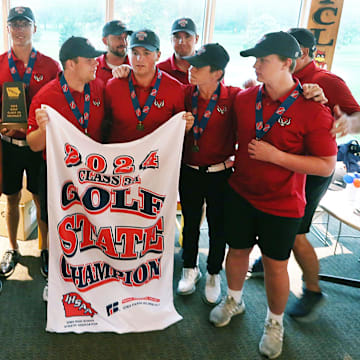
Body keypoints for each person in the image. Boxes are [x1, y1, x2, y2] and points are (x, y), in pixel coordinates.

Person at [209, 31, 337, 359]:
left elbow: (325, 165)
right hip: (241, 193)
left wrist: (277, 157)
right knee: (237, 252)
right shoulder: (243, 98)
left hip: (283, 203)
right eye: (255, 60)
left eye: (263, 60)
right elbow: (209, 95)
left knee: (275, 264)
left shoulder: (313, 108)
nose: (255, 65)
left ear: (287, 64)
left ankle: (274, 322)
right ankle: (233, 300)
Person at [248, 28, 360, 322]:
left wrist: (347, 122)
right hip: (279, 165)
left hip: (312, 169)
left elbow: (357, 116)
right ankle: (270, 256)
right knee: (267, 217)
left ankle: (312, 290)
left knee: (296, 232)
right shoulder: (275, 77)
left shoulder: (326, 81)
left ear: (304, 54)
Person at [26, 36, 104, 301]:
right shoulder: (46, 96)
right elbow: (33, 145)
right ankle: (58, 280)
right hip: (57, 174)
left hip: (92, 173)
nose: (96, 63)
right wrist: (42, 129)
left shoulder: (99, 89)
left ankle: (90, 276)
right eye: (90, 59)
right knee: (60, 227)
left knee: (91, 227)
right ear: (70, 64)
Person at [0, 6, 61, 279]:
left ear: (35, 28)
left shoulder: (50, 65)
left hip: (40, 148)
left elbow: (60, 104)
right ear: (8, 28)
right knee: (10, 198)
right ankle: (12, 248)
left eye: (25, 24)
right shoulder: (0, 63)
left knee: (42, 200)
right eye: (15, 24)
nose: (20, 29)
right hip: (9, 145)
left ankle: (44, 248)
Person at [176, 43, 239, 304]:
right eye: (190, 63)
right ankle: (190, 267)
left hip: (220, 173)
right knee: (190, 223)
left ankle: (214, 272)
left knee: (218, 226)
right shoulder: (183, 94)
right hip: (189, 171)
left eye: (198, 66)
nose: (191, 69)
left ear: (217, 73)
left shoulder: (235, 97)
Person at [104, 29, 194, 143]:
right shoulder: (113, 86)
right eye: (135, 53)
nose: (139, 59)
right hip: (120, 159)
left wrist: (185, 128)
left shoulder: (175, 88)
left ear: (158, 55)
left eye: (146, 53)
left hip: (157, 158)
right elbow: (103, 125)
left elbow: (177, 132)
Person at [158, 18, 199, 84]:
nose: (182, 42)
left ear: (196, 39)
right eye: (177, 37)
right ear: (171, 39)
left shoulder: (209, 69)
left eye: (187, 36)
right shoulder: (160, 70)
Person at [96, 20, 132, 84]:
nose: (124, 43)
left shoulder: (135, 66)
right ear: (105, 41)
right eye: (118, 38)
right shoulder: (94, 68)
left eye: (125, 38)